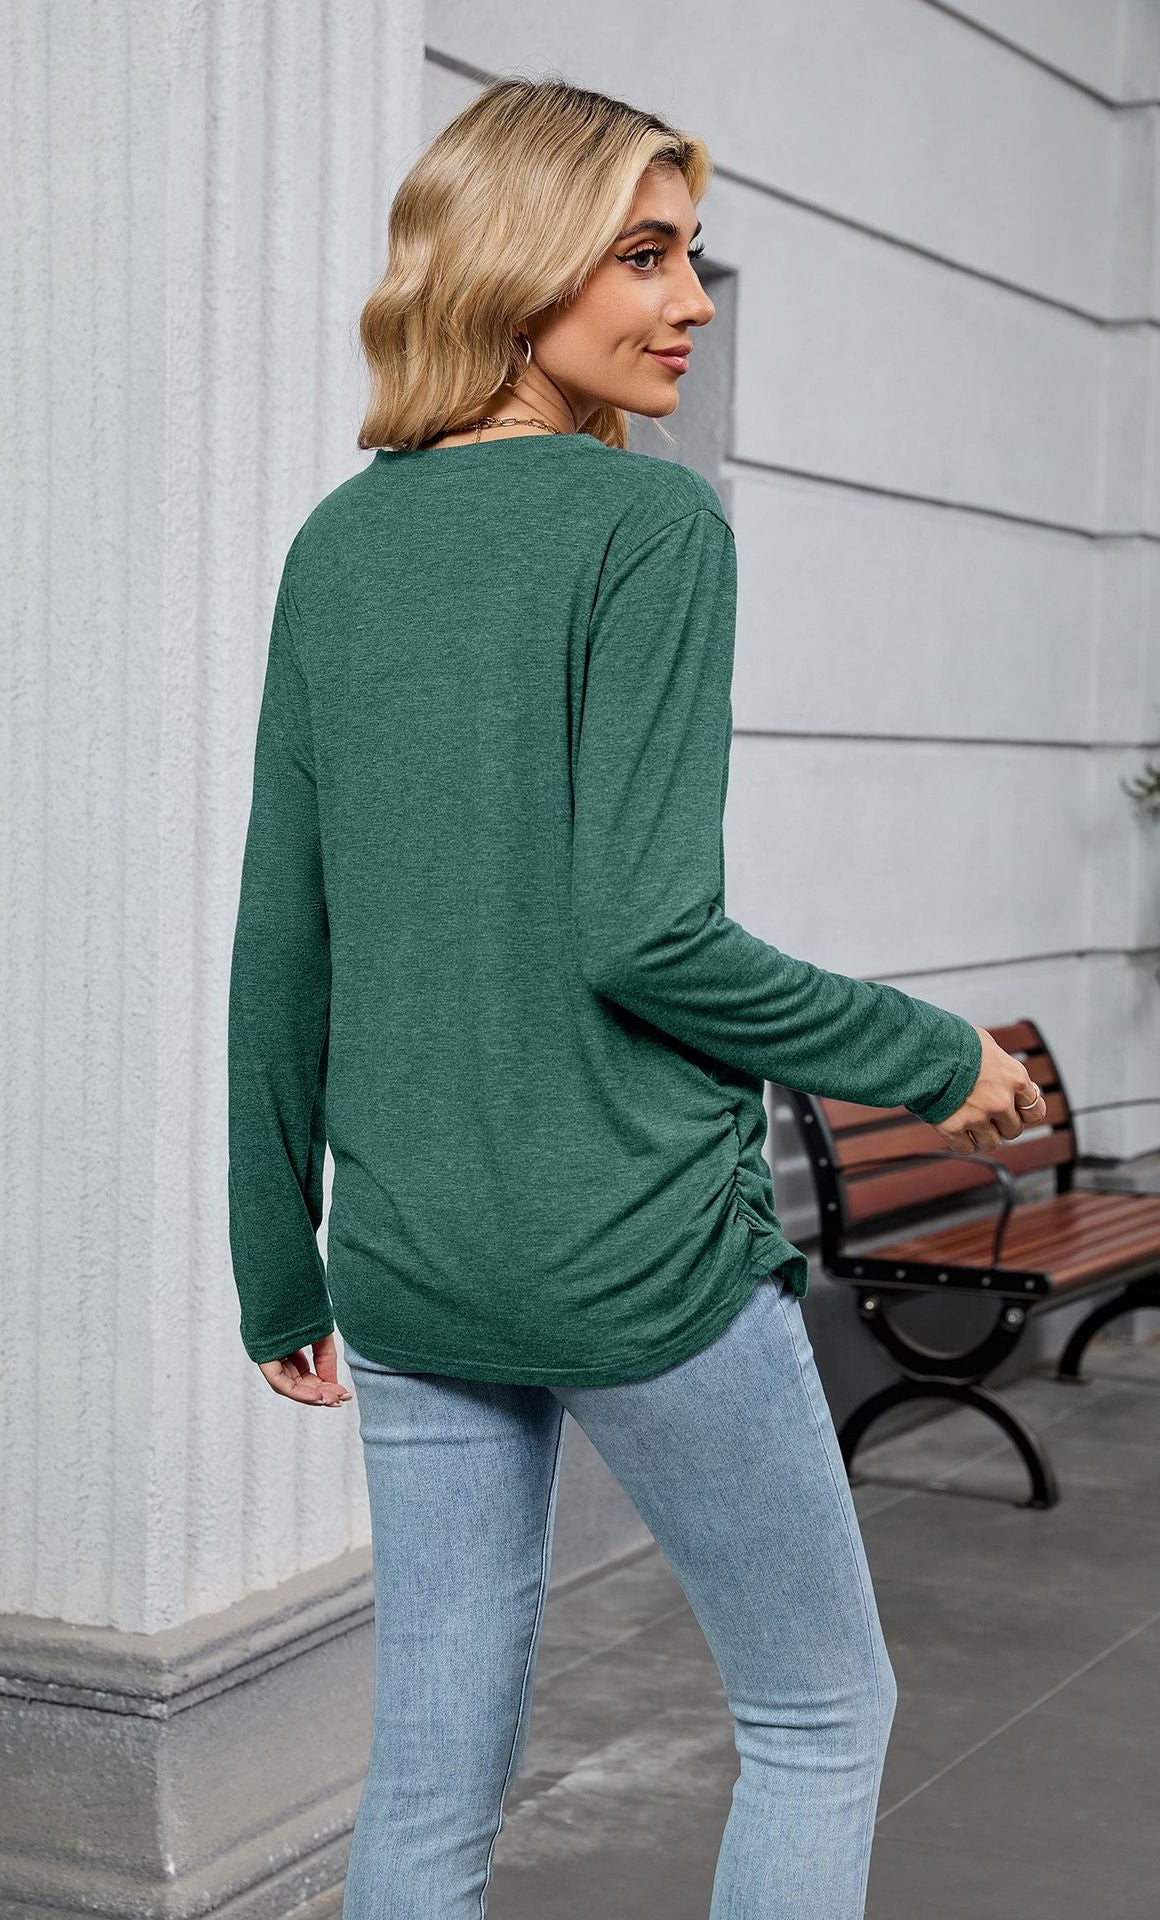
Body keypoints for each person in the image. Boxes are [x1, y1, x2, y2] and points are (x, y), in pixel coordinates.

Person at [226, 74, 1047, 1920]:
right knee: (820, 1713)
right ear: (521, 266)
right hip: (635, 1253)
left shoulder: (339, 547)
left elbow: (284, 933)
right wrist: (934, 1055)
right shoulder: (649, 527)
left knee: (432, 1768)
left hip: (410, 1257)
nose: (689, 303)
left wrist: (276, 1255)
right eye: (646, 256)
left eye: (690, 257)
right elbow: (648, 937)